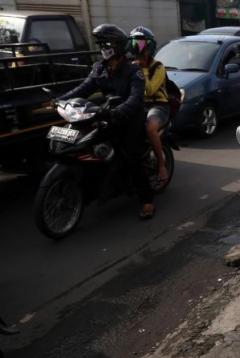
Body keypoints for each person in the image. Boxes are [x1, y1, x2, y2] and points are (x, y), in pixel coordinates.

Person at [60, 24, 153, 219]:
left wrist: (119, 112)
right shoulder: (99, 68)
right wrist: (62, 99)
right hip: (106, 114)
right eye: (101, 44)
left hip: (130, 117)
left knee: (132, 156)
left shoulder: (132, 70)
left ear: (118, 46)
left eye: (106, 43)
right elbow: (83, 88)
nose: (103, 47)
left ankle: (146, 200)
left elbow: (135, 99)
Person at [128, 26, 169, 189]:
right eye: (135, 42)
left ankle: (161, 166)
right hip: (137, 104)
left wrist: (140, 70)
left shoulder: (158, 67)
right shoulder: (129, 65)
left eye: (142, 43)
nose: (139, 46)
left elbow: (150, 90)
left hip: (157, 105)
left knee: (150, 127)